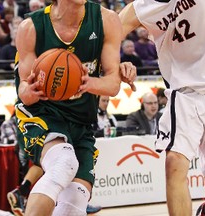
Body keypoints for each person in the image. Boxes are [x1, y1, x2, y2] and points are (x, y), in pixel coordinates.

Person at [119, 1, 205, 215]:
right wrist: (116, 62)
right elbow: (112, 30)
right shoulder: (143, 6)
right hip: (185, 92)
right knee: (173, 163)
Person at [15, 0, 136, 215]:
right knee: (64, 162)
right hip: (43, 112)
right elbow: (24, 92)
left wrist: (86, 83)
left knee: (76, 195)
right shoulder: (31, 27)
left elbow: (112, 85)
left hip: (82, 119)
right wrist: (30, 91)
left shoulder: (106, 20)